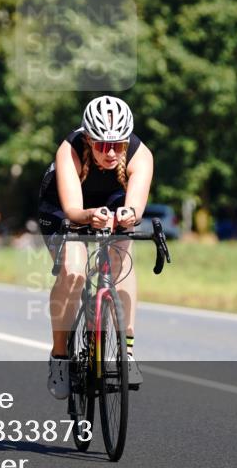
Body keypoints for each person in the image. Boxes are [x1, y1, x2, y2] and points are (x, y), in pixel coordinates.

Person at [36, 96, 153, 399]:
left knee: (122, 260)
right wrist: (89, 217)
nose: (111, 152)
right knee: (73, 272)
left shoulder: (141, 155)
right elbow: (74, 210)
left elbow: (136, 207)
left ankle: (126, 351)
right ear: (89, 139)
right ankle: (60, 356)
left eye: (118, 145)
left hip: (111, 200)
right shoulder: (70, 150)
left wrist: (128, 215)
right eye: (102, 145)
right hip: (65, 208)